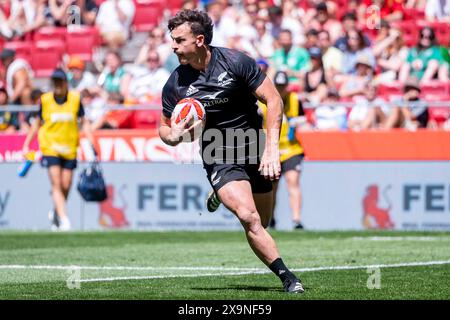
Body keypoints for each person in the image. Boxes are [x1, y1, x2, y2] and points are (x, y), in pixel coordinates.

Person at [159, 9, 304, 293]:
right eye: (172, 39)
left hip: (254, 144)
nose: (173, 45)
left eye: (179, 40)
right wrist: (174, 136)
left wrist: (272, 149)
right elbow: (163, 128)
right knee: (248, 217)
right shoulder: (176, 82)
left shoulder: (236, 62)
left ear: (199, 40)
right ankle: (288, 278)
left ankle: (220, 192)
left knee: (262, 222)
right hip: (217, 151)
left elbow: (274, 100)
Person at [21, 68, 96, 231]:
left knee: (66, 184)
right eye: (55, 81)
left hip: (69, 148)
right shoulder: (46, 100)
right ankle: (64, 220)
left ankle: (57, 212)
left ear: (65, 82)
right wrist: (27, 143)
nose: (57, 84)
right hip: (50, 147)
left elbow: (84, 122)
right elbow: (37, 123)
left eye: (60, 81)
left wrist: (91, 141)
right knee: (56, 183)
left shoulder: (75, 99)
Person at [259, 71, 305, 230]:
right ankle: (271, 219)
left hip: (292, 148)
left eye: (283, 86)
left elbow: (303, 118)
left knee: (293, 181)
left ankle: (296, 220)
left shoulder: (294, 99)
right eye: (278, 86)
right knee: (273, 188)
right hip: (272, 150)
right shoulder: (264, 101)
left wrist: (297, 122)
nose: (280, 89)